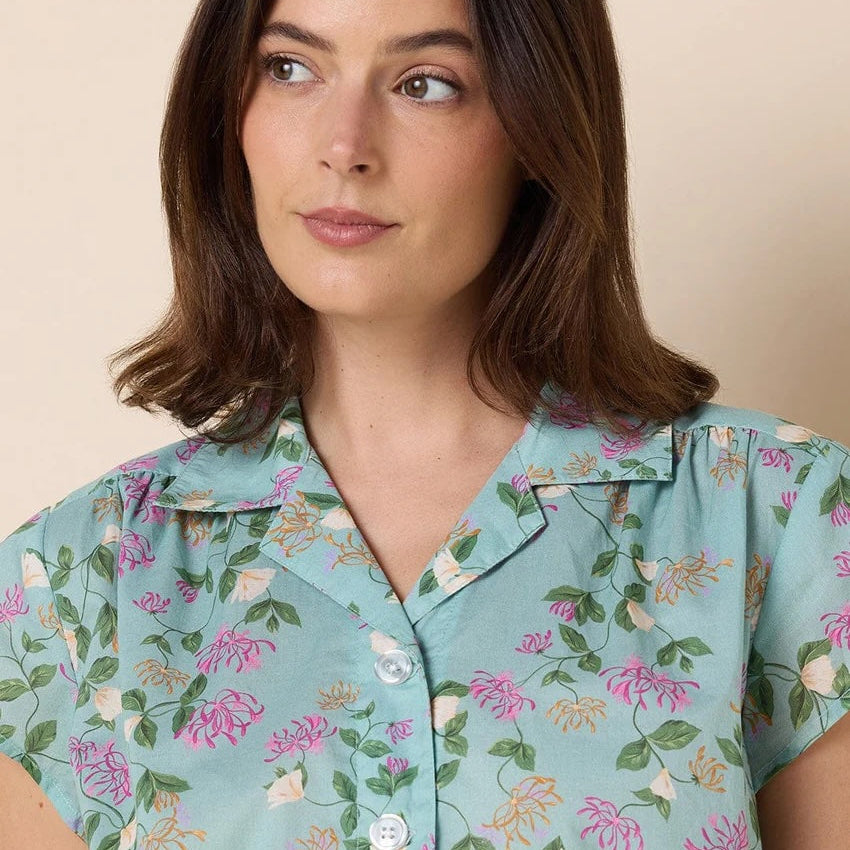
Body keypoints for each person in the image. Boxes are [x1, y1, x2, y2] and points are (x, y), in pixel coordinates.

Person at [1, 0, 848, 848]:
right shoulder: (73, 587)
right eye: (290, 68)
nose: (344, 146)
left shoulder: (783, 520)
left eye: (425, 83)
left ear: (538, 130)